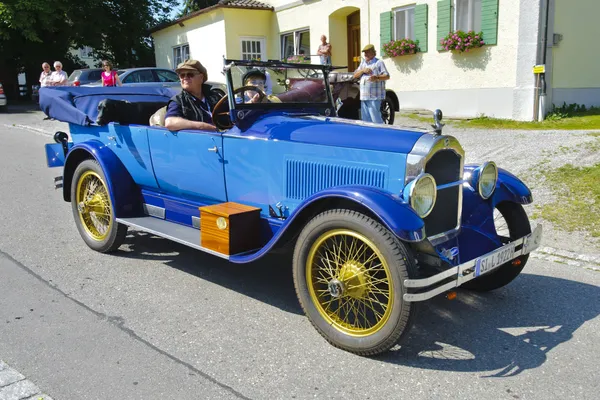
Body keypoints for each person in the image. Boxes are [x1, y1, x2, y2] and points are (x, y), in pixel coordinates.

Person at [164, 59, 221, 132]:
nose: (185, 78)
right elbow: (170, 122)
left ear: (201, 78)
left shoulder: (215, 96)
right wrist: (202, 126)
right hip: (200, 139)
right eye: (182, 75)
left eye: (190, 74)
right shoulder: (178, 101)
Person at [353, 44, 389, 124]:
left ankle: (379, 135)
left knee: (376, 120)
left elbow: (387, 76)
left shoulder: (378, 62)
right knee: (365, 121)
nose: (365, 54)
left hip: (374, 97)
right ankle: (369, 136)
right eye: (364, 53)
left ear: (373, 53)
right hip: (364, 97)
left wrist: (376, 78)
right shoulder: (363, 63)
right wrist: (362, 71)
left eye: (367, 52)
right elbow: (355, 75)